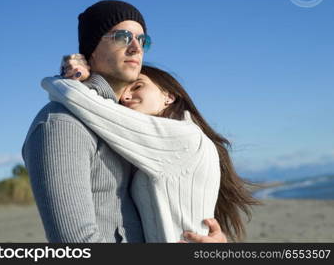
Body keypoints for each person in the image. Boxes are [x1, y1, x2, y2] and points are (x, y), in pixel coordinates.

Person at [22, 0, 228, 243]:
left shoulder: (134, 129)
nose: (136, 48)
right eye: (122, 37)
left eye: (143, 40)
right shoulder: (62, 124)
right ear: (91, 49)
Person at [42, 58, 259, 242]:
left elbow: (77, 99)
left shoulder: (183, 137)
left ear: (169, 96)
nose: (125, 98)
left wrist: (60, 79)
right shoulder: (168, 145)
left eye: (137, 87)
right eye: (122, 95)